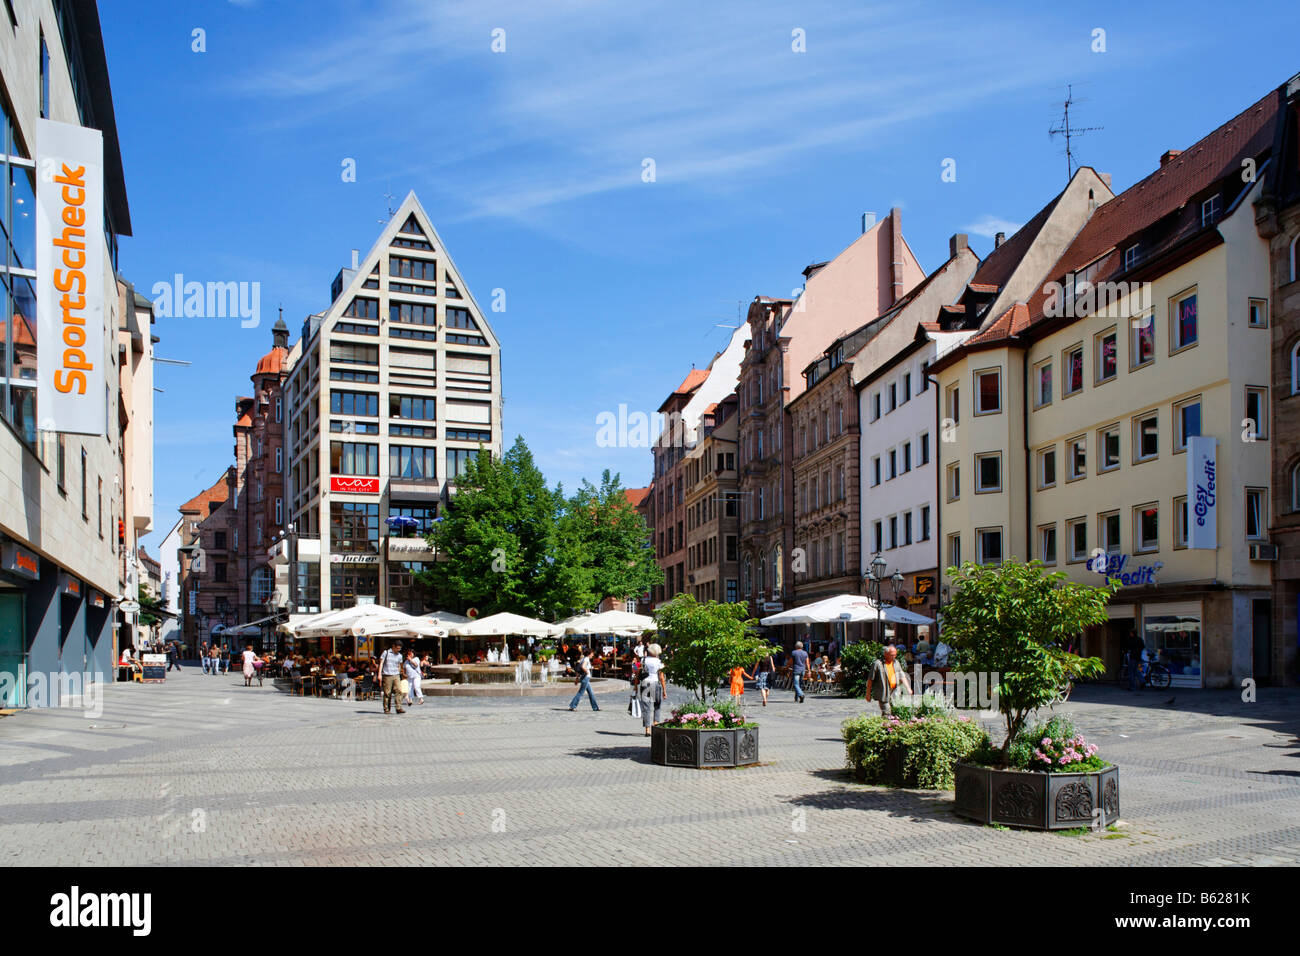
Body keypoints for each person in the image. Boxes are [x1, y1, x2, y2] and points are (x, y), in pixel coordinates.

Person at [865, 645, 913, 715]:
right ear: (885, 654)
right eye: (891, 655)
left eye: (895, 655)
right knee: (887, 712)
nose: (894, 657)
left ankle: (886, 724)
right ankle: (886, 723)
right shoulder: (877, 664)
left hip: (895, 692)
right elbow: (870, 680)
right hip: (884, 692)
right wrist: (868, 694)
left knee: (896, 712)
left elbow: (902, 676)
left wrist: (908, 688)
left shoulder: (896, 663)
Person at [638, 643, 666, 735]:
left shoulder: (643, 660)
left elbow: (638, 673)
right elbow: (661, 677)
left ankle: (647, 729)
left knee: (646, 707)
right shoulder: (659, 662)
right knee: (657, 705)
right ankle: (656, 724)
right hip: (655, 683)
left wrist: (635, 686)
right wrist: (664, 690)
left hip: (645, 683)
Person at [377, 641, 407, 714]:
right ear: (393, 646)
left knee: (399, 690)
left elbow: (399, 665)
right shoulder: (386, 653)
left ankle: (398, 707)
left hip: (396, 675)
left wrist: (401, 673)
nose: (398, 650)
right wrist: (379, 674)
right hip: (387, 675)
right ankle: (387, 709)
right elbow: (381, 663)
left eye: (399, 649)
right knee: (387, 693)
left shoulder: (399, 655)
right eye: (397, 648)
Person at [568, 646, 600, 712]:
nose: (593, 655)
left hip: (584, 677)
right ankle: (572, 706)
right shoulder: (586, 659)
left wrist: (577, 678)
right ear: (589, 653)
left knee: (591, 693)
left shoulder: (583, 659)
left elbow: (579, 669)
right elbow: (583, 667)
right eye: (592, 653)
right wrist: (587, 671)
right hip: (585, 677)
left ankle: (595, 707)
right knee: (581, 692)